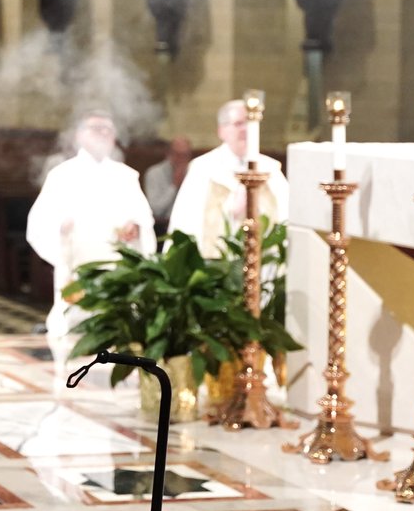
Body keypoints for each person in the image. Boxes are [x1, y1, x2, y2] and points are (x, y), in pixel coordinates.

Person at [25, 111, 156, 383]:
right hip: (79, 263)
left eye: (108, 129)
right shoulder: (63, 174)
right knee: (74, 332)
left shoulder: (125, 175)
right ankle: (70, 379)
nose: (103, 133)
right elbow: (39, 220)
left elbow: (144, 217)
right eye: (95, 128)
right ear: (79, 135)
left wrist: (136, 226)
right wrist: (59, 226)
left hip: (117, 265)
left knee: (119, 330)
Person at [167, 99, 290, 260]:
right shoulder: (203, 169)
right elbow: (186, 222)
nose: (245, 129)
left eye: (249, 123)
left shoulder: (270, 170)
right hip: (218, 265)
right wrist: (232, 210)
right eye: (238, 123)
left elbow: (287, 217)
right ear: (221, 131)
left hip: (264, 266)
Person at [141, 134, 192, 234]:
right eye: (178, 155)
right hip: (162, 227)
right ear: (169, 154)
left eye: (185, 155)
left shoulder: (194, 172)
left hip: (189, 224)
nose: (181, 159)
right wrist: (174, 185)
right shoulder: (154, 173)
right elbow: (155, 210)